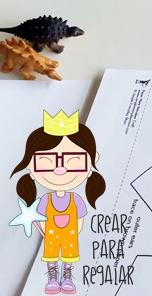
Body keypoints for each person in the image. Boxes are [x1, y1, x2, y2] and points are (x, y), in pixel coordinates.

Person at [10, 112, 105, 295]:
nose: (60, 168)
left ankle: (67, 276)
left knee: (69, 257)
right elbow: (40, 218)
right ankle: (53, 278)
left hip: (70, 235)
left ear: (91, 163)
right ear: (30, 166)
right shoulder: (45, 200)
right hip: (51, 235)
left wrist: (75, 230)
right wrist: (45, 231)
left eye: (73, 161)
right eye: (47, 161)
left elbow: (80, 219)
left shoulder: (76, 199)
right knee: (51, 256)